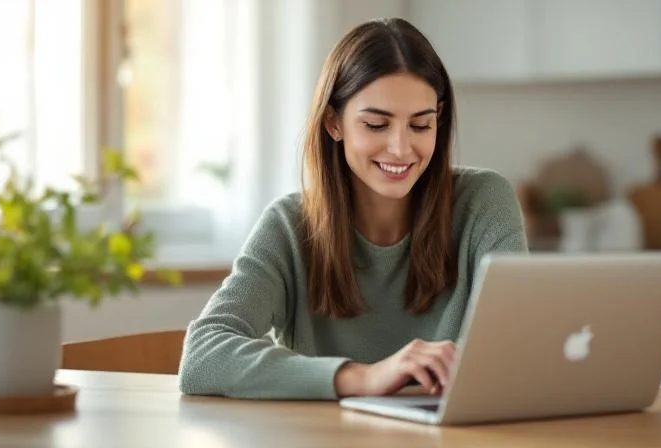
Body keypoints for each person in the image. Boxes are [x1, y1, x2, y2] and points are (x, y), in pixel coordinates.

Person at [178, 18, 528, 400]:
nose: (400, 148)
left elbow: (522, 348)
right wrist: (364, 378)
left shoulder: (484, 202)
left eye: (421, 125)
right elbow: (203, 355)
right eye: (376, 125)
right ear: (333, 123)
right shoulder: (289, 227)